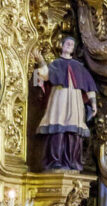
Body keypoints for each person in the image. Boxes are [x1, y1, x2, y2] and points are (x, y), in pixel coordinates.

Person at [33, 36, 97, 171]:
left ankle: (72, 161)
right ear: (61, 46)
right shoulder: (55, 64)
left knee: (74, 129)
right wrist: (41, 61)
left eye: (72, 45)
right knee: (58, 125)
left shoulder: (79, 67)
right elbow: (44, 75)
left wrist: (94, 104)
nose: (69, 46)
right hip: (59, 98)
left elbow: (89, 86)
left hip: (75, 100)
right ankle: (55, 161)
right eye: (67, 43)